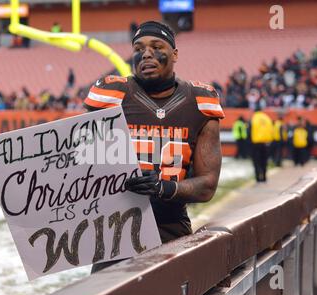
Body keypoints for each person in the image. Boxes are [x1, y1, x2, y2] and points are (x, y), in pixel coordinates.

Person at [83, 21, 224, 272]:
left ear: (175, 54)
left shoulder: (200, 101)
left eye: (156, 46)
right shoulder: (112, 95)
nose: (146, 53)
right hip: (115, 231)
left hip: (170, 229)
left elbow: (207, 186)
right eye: (138, 48)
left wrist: (164, 187)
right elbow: (79, 164)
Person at [248, 107, 273, 182]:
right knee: (264, 160)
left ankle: (258, 177)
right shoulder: (267, 118)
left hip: (256, 143)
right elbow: (271, 130)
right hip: (266, 143)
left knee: (256, 161)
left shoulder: (253, 118)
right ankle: (264, 177)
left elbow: (249, 131)